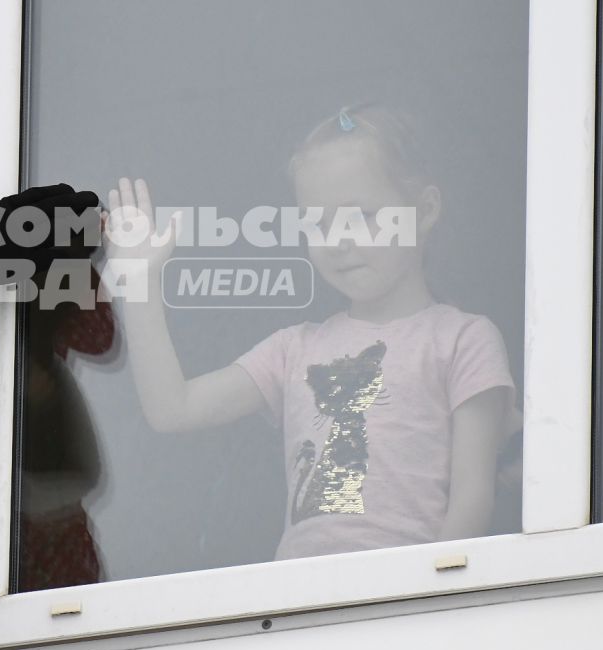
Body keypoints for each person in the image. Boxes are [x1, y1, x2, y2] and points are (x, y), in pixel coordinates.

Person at [107, 104, 513, 558]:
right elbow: (173, 408)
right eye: (318, 224)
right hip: (301, 607)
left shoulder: (464, 340)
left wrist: (432, 598)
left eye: (360, 216)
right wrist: (140, 284)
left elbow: (473, 499)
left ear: (424, 209)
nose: (338, 240)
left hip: (407, 605)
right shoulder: (294, 349)